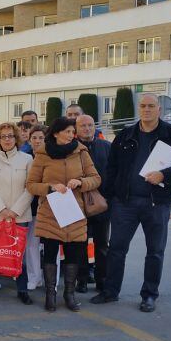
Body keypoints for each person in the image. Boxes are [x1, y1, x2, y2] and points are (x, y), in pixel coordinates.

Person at [91, 94, 171, 313]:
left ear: (159, 109)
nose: (146, 109)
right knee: (116, 249)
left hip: (157, 203)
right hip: (124, 203)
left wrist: (164, 175)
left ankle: (149, 295)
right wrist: (111, 196)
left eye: (151, 106)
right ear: (139, 109)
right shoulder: (125, 135)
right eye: (143, 106)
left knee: (155, 251)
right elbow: (112, 168)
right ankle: (110, 291)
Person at [27, 117, 101, 312]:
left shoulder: (81, 152)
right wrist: (50, 187)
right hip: (50, 212)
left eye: (72, 132)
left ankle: (69, 294)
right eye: (67, 131)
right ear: (56, 133)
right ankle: (50, 294)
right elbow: (31, 185)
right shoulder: (42, 154)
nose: (71, 135)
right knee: (50, 253)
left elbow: (96, 179)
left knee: (73, 254)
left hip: (75, 211)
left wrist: (81, 182)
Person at [0, 122, 34, 304]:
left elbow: (30, 188)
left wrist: (15, 211)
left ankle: (22, 290)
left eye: (10, 136)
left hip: (20, 215)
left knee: (19, 253)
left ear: (16, 138)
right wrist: (2, 210)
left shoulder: (27, 159)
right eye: (3, 136)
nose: (7, 139)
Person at [75, 115, 112, 293]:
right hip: (78, 204)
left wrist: (109, 198)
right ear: (76, 128)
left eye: (90, 125)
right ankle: (81, 280)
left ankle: (101, 280)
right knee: (80, 244)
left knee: (102, 245)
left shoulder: (106, 146)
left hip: (102, 205)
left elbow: (114, 173)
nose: (87, 128)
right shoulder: (71, 148)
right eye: (83, 125)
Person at [24, 124, 47, 290]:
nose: (37, 141)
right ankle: (34, 277)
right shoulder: (25, 157)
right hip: (30, 207)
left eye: (41, 138)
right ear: (29, 140)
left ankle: (51, 280)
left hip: (48, 207)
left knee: (50, 246)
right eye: (34, 138)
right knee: (31, 244)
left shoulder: (52, 156)